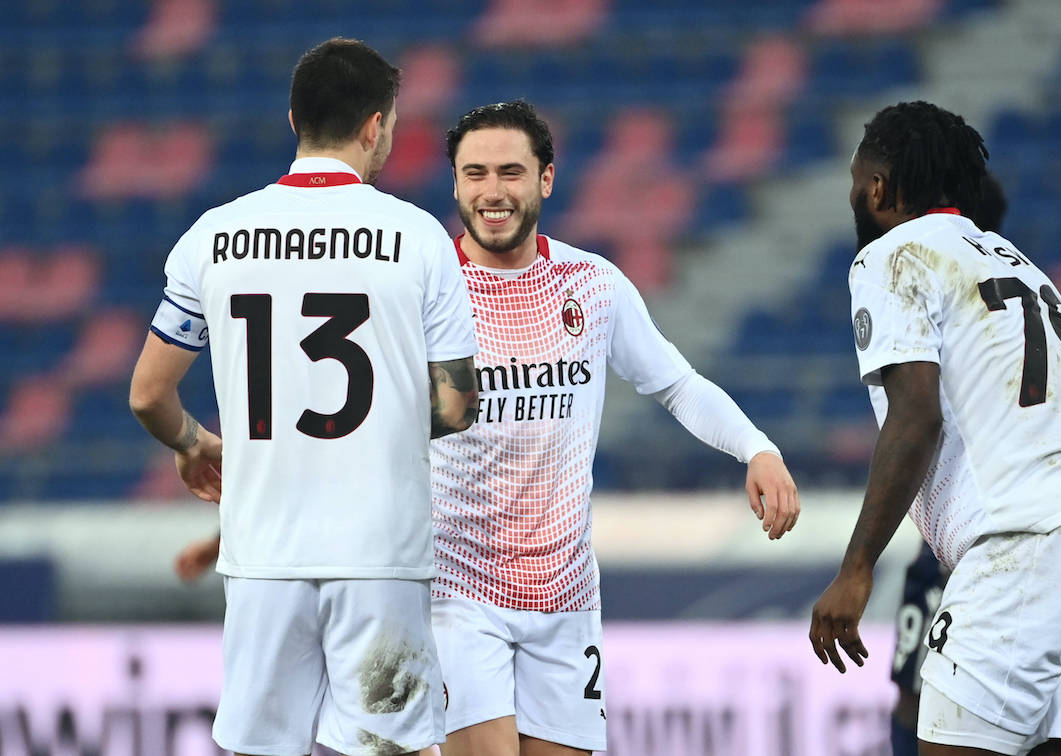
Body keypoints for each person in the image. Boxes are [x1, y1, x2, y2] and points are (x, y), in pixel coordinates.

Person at [131, 38, 479, 756]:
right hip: (380, 554)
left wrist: (194, 445)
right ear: (376, 125)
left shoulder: (214, 237)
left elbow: (147, 394)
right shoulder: (418, 239)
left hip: (263, 554)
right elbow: (456, 407)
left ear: (294, 120)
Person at [423, 100, 799, 756]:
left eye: (511, 172)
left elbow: (677, 383)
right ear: (454, 183)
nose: (492, 191)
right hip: (456, 590)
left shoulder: (591, 286)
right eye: (475, 173)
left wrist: (756, 448)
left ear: (545, 178)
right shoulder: (424, 293)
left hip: (566, 596)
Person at [808, 101, 1061, 756]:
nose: (854, 196)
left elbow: (917, 414)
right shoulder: (1016, 260)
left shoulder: (893, 255)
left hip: (1028, 540)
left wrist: (856, 569)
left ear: (878, 189)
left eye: (857, 182)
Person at [888, 172, 1007, 756]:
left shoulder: (925, 292)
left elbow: (916, 419)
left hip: (978, 540)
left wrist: (858, 567)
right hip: (1029, 532)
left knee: (918, 702)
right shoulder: (1022, 303)